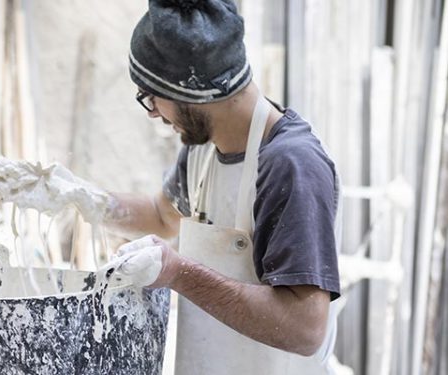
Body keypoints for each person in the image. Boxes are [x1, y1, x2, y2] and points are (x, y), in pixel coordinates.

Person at [100, 0, 342, 374]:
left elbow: (305, 327)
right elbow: (163, 216)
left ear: (192, 92)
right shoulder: (203, 150)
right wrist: (81, 200)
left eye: (151, 97)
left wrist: (178, 272)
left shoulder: (290, 165)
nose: (151, 113)